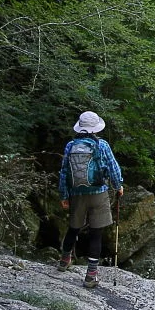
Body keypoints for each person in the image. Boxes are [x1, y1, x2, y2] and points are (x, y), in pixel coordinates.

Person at [57, 111, 123, 288]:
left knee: (73, 228)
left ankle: (64, 261)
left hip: (76, 194)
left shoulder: (70, 145)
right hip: (99, 193)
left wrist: (64, 195)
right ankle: (90, 275)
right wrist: (119, 186)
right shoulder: (102, 145)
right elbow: (113, 167)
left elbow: (64, 172)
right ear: (95, 128)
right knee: (96, 233)